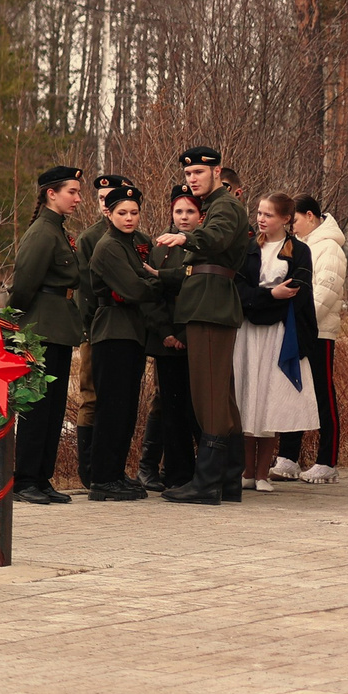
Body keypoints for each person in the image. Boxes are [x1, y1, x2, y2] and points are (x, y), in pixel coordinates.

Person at [159, 145, 252, 505]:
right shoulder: (217, 206)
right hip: (208, 301)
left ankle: (207, 483)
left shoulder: (225, 205)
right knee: (221, 396)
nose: (192, 179)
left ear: (217, 170)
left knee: (208, 396)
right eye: (187, 174)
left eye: (198, 172)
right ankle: (227, 479)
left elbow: (216, 237)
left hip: (211, 304)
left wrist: (186, 237)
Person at [6, 165, 87, 505]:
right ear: (51, 193)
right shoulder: (42, 232)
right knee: (37, 407)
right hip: (40, 330)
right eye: (72, 191)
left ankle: (41, 477)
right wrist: (10, 322)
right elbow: (24, 284)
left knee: (53, 409)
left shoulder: (57, 231)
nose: (78, 199)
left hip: (58, 326)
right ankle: (24, 479)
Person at [233, 191, 319, 492]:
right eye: (259, 213)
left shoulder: (299, 251)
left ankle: (262, 474)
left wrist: (268, 300)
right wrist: (268, 295)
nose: (261, 219)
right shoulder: (249, 248)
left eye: (268, 215)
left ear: (285, 219)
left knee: (268, 400)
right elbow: (240, 291)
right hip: (248, 332)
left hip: (279, 334)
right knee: (247, 397)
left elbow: (296, 292)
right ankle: (245, 472)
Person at [80, 186, 158, 502]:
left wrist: (145, 283)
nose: (129, 218)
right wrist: (156, 282)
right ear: (108, 214)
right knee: (112, 408)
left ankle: (114, 473)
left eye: (134, 212)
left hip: (130, 331)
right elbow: (135, 289)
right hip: (113, 332)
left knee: (125, 409)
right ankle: (102, 479)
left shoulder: (129, 243)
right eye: (122, 212)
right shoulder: (109, 246)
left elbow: (138, 287)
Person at [66, 172, 131, 488]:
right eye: (103, 200)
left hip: (124, 329)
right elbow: (85, 288)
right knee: (91, 396)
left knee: (118, 398)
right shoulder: (92, 238)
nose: (107, 205)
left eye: (112, 199)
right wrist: (88, 329)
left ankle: (111, 469)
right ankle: (89, 469)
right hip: (96, 327)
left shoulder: (131, 234)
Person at [281, 196, 348, 482]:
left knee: (323, 393)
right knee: (293, 392)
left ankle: (327, 460)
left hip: (318, 332)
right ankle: (287, 457)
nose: (292, 227)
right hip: (298, 329)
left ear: (310, 216)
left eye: (294, 220)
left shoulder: (329, 248)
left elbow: (325, 292)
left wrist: (301, 323)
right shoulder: (298, 246)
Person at [139, 189, 201, 491]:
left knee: (197, 409)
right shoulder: (160, 247)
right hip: (166, 341)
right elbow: (152, 294)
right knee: (171, 410)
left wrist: (187, 335)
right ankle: (176, 475)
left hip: (197, 339)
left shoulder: (205, 247)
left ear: (201, 215)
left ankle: (203, 474)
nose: (184, 218)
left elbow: (203, 294)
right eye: (179, 212)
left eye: (190, 212)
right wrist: (166, 333)